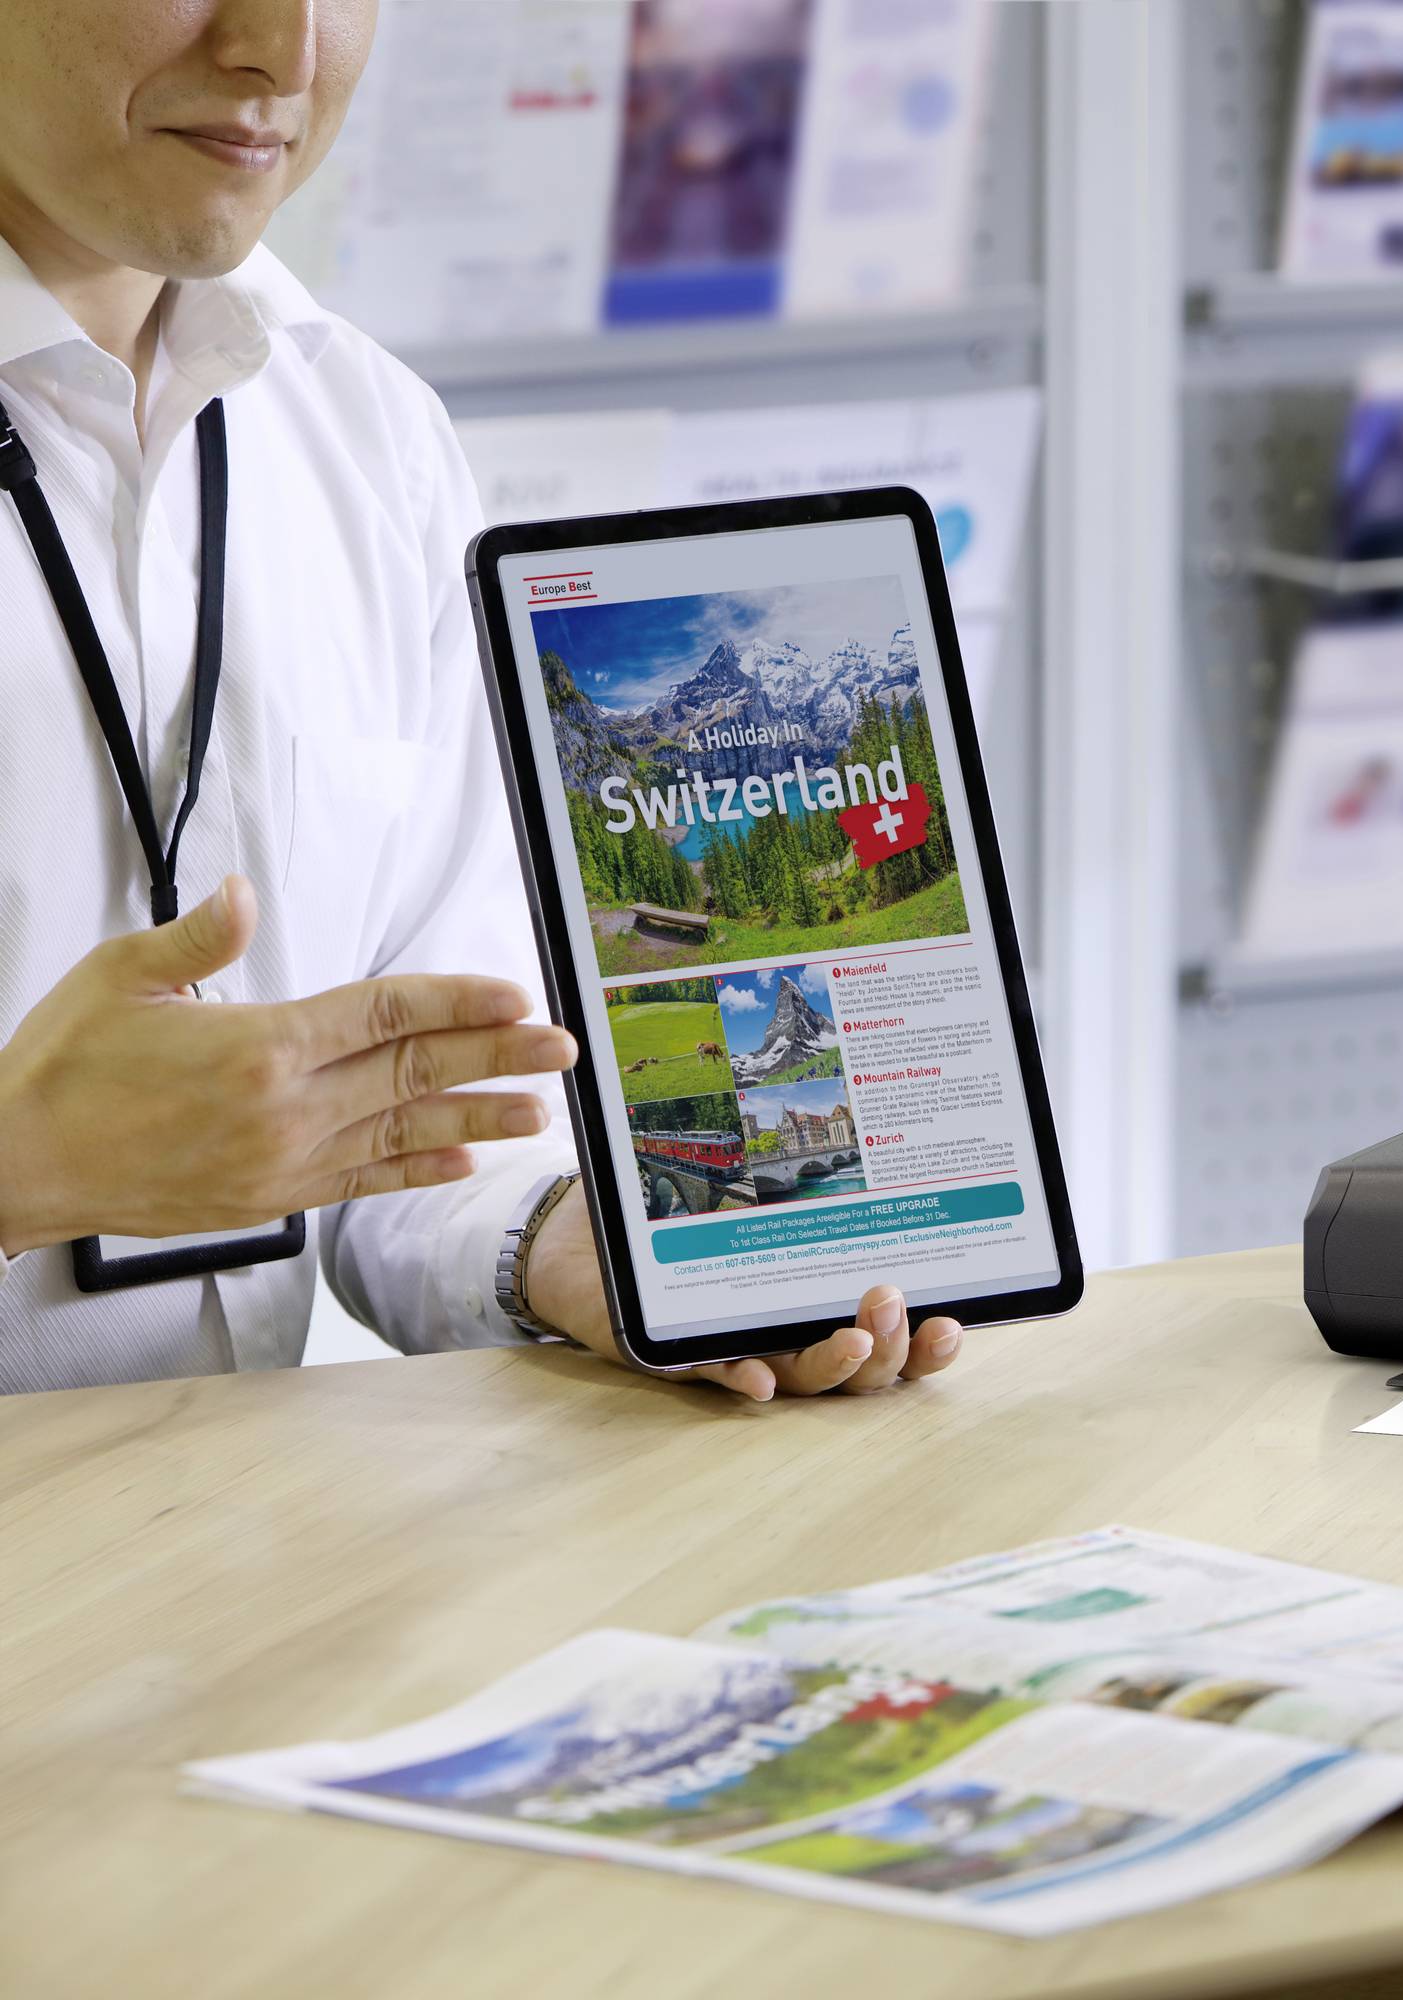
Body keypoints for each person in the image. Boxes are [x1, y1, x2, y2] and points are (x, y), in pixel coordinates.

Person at [0, 0, 962, 1399]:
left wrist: (573, 1252)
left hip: (233, 1516)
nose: (284, 49)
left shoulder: (367, 433)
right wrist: (21, 1170)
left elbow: (422, 1113)